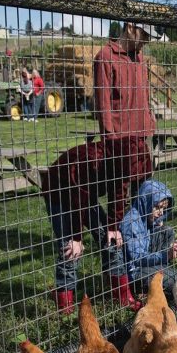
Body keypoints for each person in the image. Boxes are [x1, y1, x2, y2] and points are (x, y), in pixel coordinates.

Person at [41, 135, 152, 314]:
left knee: (111, 240)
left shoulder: (122, 161)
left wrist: (113, 227)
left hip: (86, 193)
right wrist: (77, 237)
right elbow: (77, 200)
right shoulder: (90, 160)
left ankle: (122, 295)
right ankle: (65, 303)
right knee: (69, 248)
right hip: (59, 192)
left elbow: (119, 193)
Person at [121, 179, 177, 304]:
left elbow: (155, 232)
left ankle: (162, 268)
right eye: (157, 207)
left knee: (167, 231)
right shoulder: (132, 223)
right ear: (146, 201)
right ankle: (166, 302)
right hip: (135, 272)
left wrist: (171, 247)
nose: (161, 212)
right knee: (176, 281)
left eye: (163, 208)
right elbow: (137, 258)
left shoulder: (144, 215)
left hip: (145, 259)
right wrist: (164, 255)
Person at [93, 22, 160, 140]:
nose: (147, 40)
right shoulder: (106, 57)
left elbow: (145, 92)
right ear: (130, 28)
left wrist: (150, 119)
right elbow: (103, 103)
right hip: (120, 140)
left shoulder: (140, 58)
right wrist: (110, 139)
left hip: (144, 135)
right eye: (144, 34)